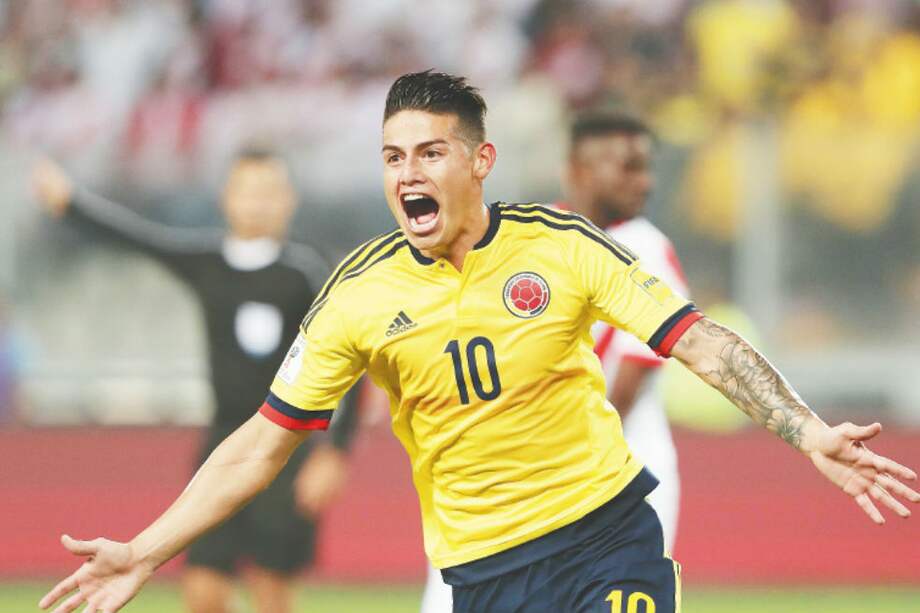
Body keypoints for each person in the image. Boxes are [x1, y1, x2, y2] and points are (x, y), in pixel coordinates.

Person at [40, 71, 918, 613]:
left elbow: (700, 343)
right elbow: (262, 443)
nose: (408, 174)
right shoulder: (359, 293)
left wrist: (808, 431)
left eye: (429, 153)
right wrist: (147, 547)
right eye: (392, 157)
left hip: (605, 534)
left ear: (481, 160)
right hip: (483, 577)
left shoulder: (561, 247)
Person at [32, 148, 360, 613]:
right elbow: (141, 238)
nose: (258, 203)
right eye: (248, 191)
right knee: (203, 592)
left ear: (289, 200)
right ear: (227, 199)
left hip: (287, 447)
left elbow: (356, 357)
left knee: (272, 592)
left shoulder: (308, 270)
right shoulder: (207, 261)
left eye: (269, 192)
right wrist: (71, 203)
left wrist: (336, 452)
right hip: (221, 447)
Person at [419, 110, 693, 613]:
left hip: (626, 468)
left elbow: (628, 382)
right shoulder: (524, 235)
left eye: (645, 167)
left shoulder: (648, 249)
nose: (644, 181)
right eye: (626, 166)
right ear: (579, 170)